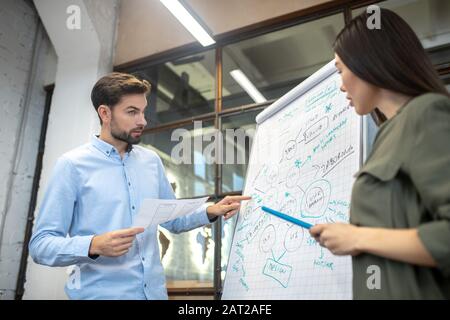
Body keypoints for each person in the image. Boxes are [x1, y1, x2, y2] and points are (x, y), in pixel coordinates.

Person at [29, 72, 251, 299]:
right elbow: (41, 245)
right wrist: (94, 244)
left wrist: (211, 210)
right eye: (132, 112)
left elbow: (171, 219)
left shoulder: (151, 161)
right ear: (105, 113)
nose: (142, 121)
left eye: (143, 112)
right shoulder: (72, 165)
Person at [309, 8, 450, 299]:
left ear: (367, 62)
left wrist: (357, 237)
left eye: (340, 70)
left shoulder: (426, 114)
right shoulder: (389, 134)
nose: (340, 84)